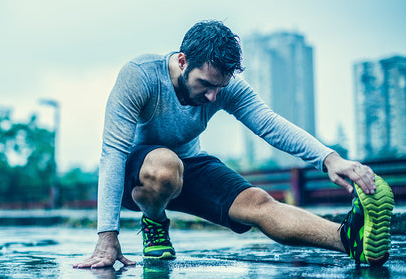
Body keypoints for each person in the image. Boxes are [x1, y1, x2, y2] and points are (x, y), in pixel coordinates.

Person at [73, 20, 394, 268]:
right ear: (183, 61)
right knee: (165, 166)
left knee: (258, 202)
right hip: (139, 174)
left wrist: (329, 159)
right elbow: (112, 153)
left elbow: (269, 123)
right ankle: (155, 220)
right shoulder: (140, 76)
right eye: (206, 85)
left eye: (220, 87)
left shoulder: (223, 86)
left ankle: (349, 239)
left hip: (189, 164)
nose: (213, 97)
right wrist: (107, 236)